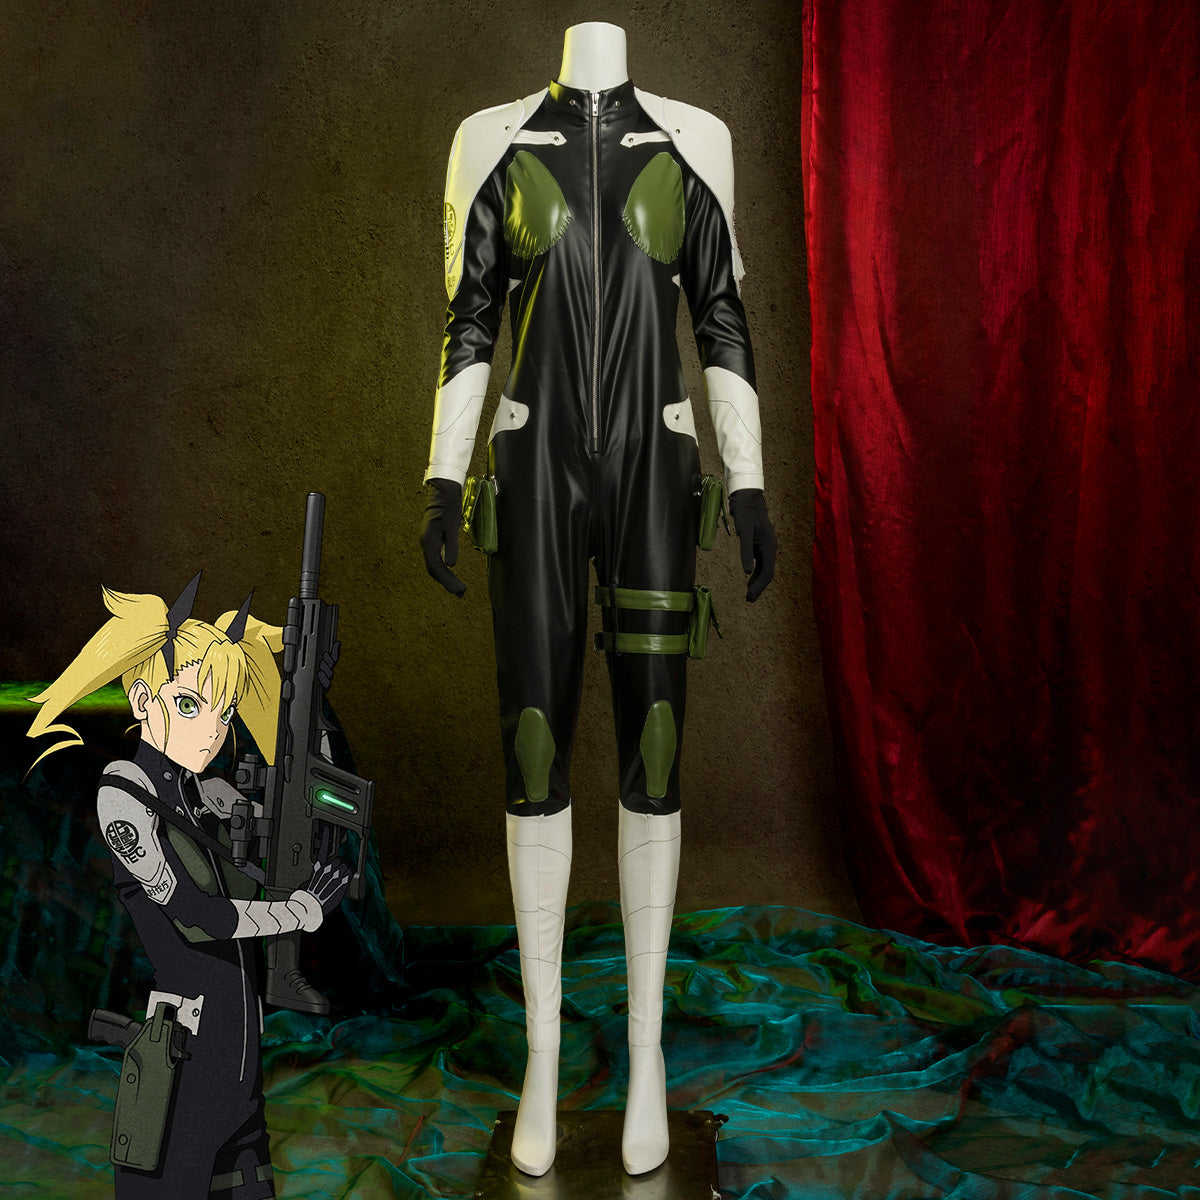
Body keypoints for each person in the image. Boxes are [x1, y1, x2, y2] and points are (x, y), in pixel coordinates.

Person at [419, 21, 777, 1177]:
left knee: (653, 749)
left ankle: (649, 1057)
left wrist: (750, 484)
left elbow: (720, 316)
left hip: (657, 476)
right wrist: (441, 479)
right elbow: (471, 318)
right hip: (530, 473)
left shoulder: (696, 141)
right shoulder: (490, 141)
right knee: (533, 748)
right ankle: (539, 1057)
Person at [27, 575, 350, 1199]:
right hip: (182, 1066)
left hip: (241, 1064)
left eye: (224, 712)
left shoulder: (211, 794)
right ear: (144, 699)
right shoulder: (124, 797)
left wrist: (314, 705)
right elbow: (198, 914)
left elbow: (302, 811)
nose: (212, 731)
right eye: (190, 705)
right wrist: (298, 913)